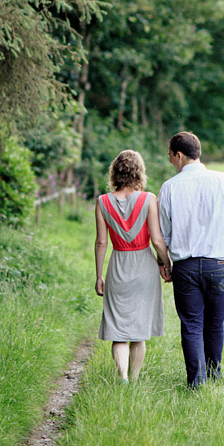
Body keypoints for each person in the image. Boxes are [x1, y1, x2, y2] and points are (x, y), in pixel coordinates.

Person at [158, 131, 224, 388]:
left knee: (191, 325)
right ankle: (214, 374)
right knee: (214, 323)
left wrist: (164, 263)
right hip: (219, 266)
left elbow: (163, 234)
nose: (170, 162)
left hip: (185, 267)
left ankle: (196, 383)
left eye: (170, 157)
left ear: (179, 155)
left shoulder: (169, 188)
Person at [95, 149, 172, 383]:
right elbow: (157, 241)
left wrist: (99, 276)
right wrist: (166, 264)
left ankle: (122, 378)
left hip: (118, 266)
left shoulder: (102, 202)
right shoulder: (149, 199)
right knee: (138, 332)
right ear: (139, 172)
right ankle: (135, 378)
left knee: (118, 330)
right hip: (144, 266)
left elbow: (101, 242)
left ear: (115, 172)